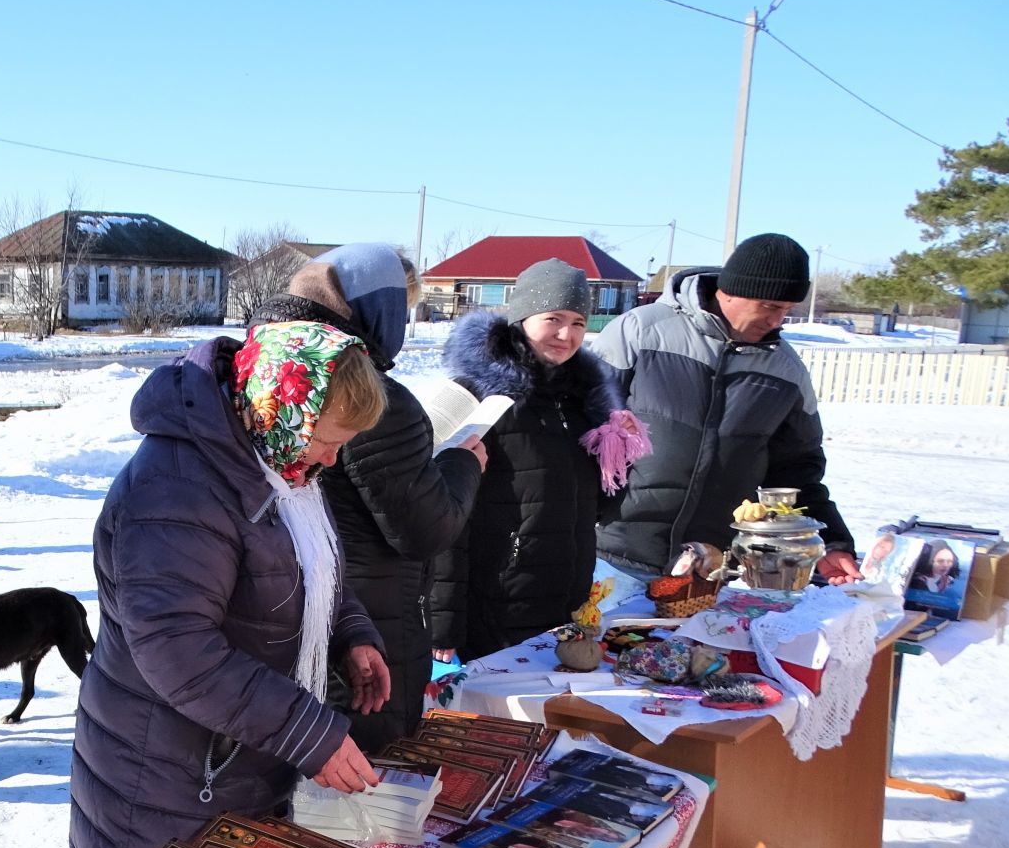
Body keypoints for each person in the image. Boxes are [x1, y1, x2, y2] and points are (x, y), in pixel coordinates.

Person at [68, 318, 393, 848]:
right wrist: (312, 733)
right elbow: (177, 648)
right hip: (161, 773)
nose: (326, 462)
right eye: (325, 442)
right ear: (282, 408)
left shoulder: (279, 460)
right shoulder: (176, 485)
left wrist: (353, 634)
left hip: (231, 760)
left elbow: (316, 572)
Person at [254, 244, 484, 750]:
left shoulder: (269, 369)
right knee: (370, 776)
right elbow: (425, 527)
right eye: (401, 311)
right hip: (371, 615)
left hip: (316, 613)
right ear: (379, 312)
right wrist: (462, 464)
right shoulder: (361, 389)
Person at [593, 233, 859, 584]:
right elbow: (579, 431)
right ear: (730, 291)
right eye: (769, 307)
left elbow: (796, 473)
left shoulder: (786, 370)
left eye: (786, 310)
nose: (777, 321)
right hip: (611, 557)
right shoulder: (640, 332)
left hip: (713, 570)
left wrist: (832, 542)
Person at [430, 259, 651, 663]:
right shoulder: (478, 397)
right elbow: (442, 515)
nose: (567, 335)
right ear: (522, 317)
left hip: (567, 600)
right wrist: (442, 619)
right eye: (554, 318)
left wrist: (620, 456)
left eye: (579, 323)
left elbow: (599, 508)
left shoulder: (585, 401)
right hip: (498, 601)